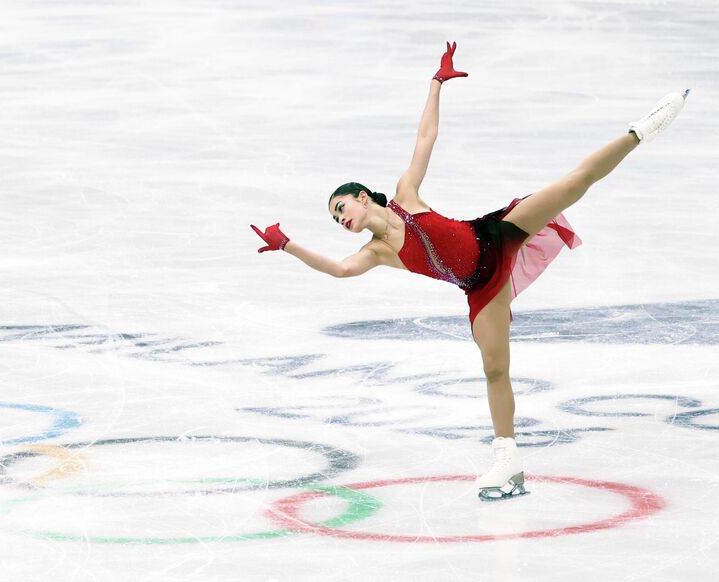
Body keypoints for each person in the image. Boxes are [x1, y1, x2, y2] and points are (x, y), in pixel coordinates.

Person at [250, 42, 688, 501]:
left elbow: (425, 139)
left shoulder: (406, 196)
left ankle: (640, 131)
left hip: (497, 234)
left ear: (363, 196)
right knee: (495, 368)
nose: (342, 220)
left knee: (572, 184)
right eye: (336, 220)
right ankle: (508, 459)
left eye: (342, 208)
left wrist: (436, 84)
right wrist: (288, 245)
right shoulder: (376, 252)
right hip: (480, 286)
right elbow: (339, 270)